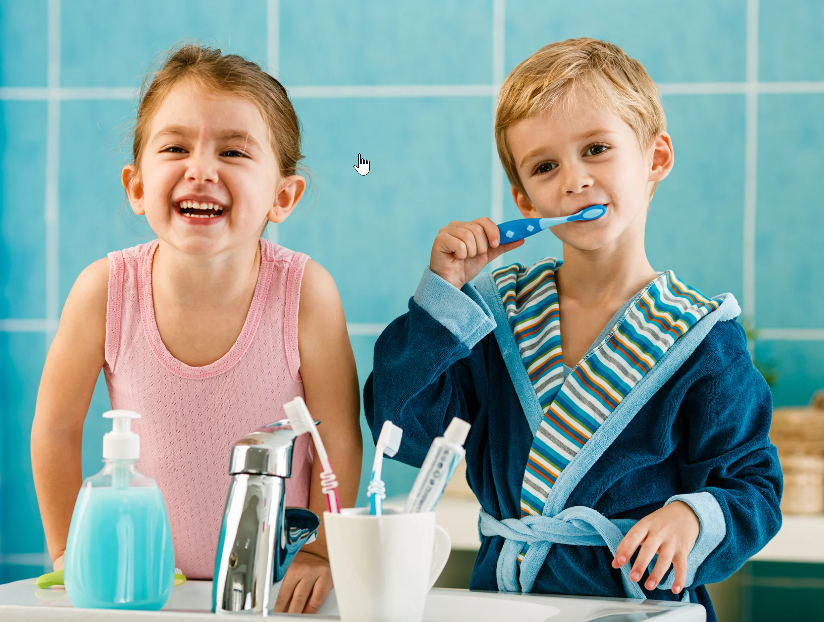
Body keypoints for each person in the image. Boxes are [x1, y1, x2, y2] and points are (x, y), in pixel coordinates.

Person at [364, 38, 782, 621]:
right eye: (545, 166)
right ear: (525, 199)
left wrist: (691, 517)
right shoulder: (493, 314)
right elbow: (401, 430)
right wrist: (444, 297)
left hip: (639, 608)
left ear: (656, 158)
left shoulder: (702, 336)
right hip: (509, 606)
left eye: (596, 149)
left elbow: (753, 486)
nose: (574, 180)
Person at [31, 44, 362, 615]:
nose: (201, 170)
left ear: (282, 196)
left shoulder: (306, 293)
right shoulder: (105, 291)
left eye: (232, 151)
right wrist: (66, 552)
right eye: (175, 148)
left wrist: (321, 553)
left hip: (274, 587)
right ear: (137, 186)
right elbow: (56, 429)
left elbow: (338, 438)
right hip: (143, 585)